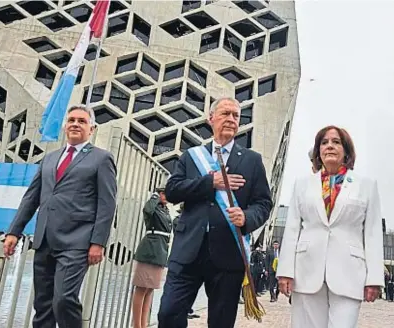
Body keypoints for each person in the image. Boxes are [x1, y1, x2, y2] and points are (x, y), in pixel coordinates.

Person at [157, 97, 273, 328]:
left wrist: (247, 217)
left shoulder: (252, 160)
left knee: (221, 323)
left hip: (228, 253)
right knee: (168, 314)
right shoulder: (192, 157)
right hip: (188, 250)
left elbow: (263, 203)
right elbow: (172, 191)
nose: (231, 119)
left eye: (235, 115)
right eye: (225, 114)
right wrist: (210, 182)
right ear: (211, 119)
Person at [3, 105, 117, 328]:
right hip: (45, 240)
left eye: (82, 121)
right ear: (65, 126)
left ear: (91, 129)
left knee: (64, 299)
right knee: (43, 304)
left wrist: (98, 242)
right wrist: (13, 231)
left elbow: (107, 203)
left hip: (77, 242)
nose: (75, 124)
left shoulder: (101, 159)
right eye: (72, 120)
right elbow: (31, 198)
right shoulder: (49, 159)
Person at [277, 125, 384, 328]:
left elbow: (372, 234)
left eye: (336, 142)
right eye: (324, 143)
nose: (330, 146)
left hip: (349, 273)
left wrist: (374, 278)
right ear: (318, 150)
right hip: (307, 272)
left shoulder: (366, 185)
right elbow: (292, 229)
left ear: (346, 150)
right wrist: (285, 271)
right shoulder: (302, 184)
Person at [132, 187, 172, 328]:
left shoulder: (164, 209)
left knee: (150, 289)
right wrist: (155, 196)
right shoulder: (153, 207)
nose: (166, 196)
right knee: (142, 288)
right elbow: (147, 210)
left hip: (160, 251)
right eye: (164, 193)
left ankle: (144, 324)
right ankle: (137, 325)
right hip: (150, 250)